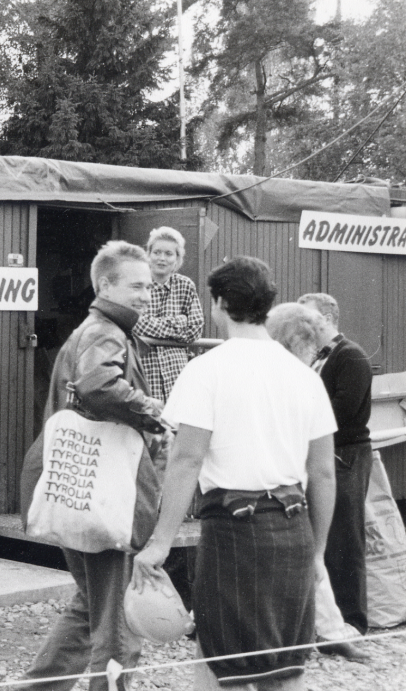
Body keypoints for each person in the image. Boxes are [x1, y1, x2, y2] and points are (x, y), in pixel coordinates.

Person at [133, 257, 336, 691]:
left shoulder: (206, 369)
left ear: (220, 303)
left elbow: (186, 461)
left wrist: (161, 542)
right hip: (294, 528)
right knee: (284, 666)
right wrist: (317, 552)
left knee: (217, 657)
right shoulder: (304, 376)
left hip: (233, 529)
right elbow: (322, 473)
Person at [19, 240, 165, 691]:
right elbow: (100, 383)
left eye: (149, 286)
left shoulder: (92, 327)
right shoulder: (107, 331)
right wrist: (154, 412)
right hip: (106, 493)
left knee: (92, 607)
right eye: (136, 286)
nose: (146, 294)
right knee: (117, 622)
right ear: (105, 283)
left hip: (73, 485)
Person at [266, 303, 370, 662]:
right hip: (295, 467)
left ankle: (341, 624)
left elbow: (337, 414)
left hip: (324, 461)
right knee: (308, 550)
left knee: (331, 545)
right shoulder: (296, 371)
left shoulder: (345, 359)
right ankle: (325, 628)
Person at [298, 293, 374, 643]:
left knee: (346, 538)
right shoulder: (314, 357)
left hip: (345, 456)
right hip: (321, 455)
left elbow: (342, 411)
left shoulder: (352, 356)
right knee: (320, 539)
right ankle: (323, 621)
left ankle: (353, 622)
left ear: (327, 318)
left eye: (308, 317)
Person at [134, 226, 204, 403]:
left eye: (168, 253)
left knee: (175, 427)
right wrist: (180, 321)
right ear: (148, 255)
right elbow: (135, 323)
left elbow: (195, 329)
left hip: (176, 376)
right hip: (144, 374)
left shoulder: (185, 285)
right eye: (157, 252)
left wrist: (151, 325)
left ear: (177, 258)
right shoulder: (137, 283)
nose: (162, 258)